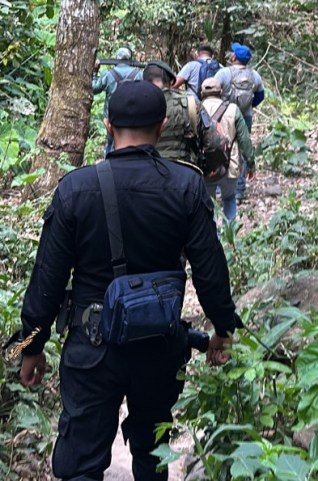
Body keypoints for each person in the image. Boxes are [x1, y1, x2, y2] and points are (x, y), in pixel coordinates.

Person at [18, 80, 243, 481]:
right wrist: (223, 329)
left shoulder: (75, 189)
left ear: (107, 127)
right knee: (152, 449)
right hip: (159, 347)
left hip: (92, 349)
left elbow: (47, 281)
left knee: (80, 463)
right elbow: (210, 269)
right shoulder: (186, 186)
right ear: (160, 128)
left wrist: (31, 347)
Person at [214, 42, 264, 202]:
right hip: (246, 117)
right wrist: (249, 105)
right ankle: (239, 191)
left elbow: (212, 90)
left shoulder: (223, 73)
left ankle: (220, 189)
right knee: (242, 151)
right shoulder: (255, 75)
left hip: (225, 116)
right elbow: (260, 96)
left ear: (234, 57)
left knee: (220, 149)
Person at [199, 77, 254, 224]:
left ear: (201, 93)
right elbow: (244, 140)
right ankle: (230, 238)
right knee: (229, 198)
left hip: (204, 166)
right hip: (230, 164)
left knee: (208, 204)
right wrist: (250, 164)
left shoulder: (195, 109)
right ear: (221, 92)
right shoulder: (233, 109)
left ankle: (213, 238)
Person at [143, 60, 199, 165]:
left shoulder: (135, 102)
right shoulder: (188, 102)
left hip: (146, 167)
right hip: (181, 168)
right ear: (170, 82)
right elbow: (210, 140)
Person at [92, 47, 143, 156]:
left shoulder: (108, 74)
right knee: (132, 145)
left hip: (112, 118)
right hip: (133, 117)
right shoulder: (138, 74)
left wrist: (95, 73)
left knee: (110, 145)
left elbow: (94, 88)